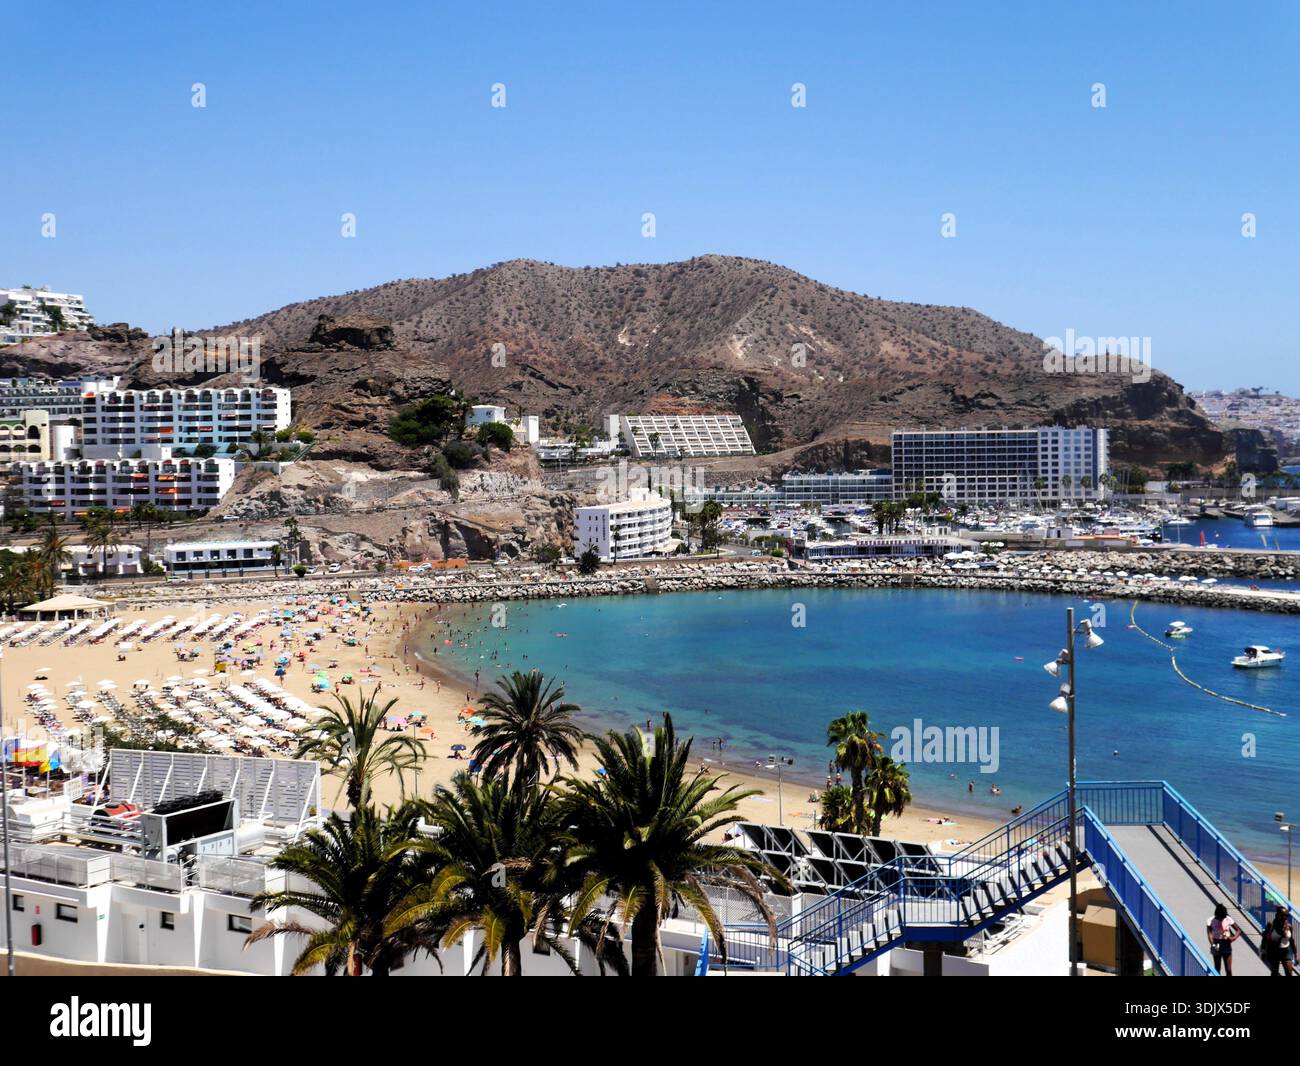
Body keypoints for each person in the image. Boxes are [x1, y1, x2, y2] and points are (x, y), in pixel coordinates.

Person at [1207, 903, 1241, 975]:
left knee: (1228, 969)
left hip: (1226, 944)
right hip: (1216, 944)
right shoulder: (1210, 920)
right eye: (1220, 918)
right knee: (1217, 968)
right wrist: (1213, 944)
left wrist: (1233, 938)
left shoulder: (1228, 919)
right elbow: (1209, 934)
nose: (1221, 920)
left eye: (1223, 918)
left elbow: (1238, 930)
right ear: (1216, 915)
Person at [1264, 906, 1295, 977]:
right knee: (1275, 973)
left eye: (1287, 915)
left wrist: (1295, 954)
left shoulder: (1289, 927)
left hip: (1286, 951)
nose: (1286, 917)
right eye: (1284, 915)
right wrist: (1263, 951)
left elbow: (1291, 940)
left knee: (1289, 973)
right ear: (1278, 915)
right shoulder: (1271, 925)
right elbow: (1265, 939)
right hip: (1274, 951)